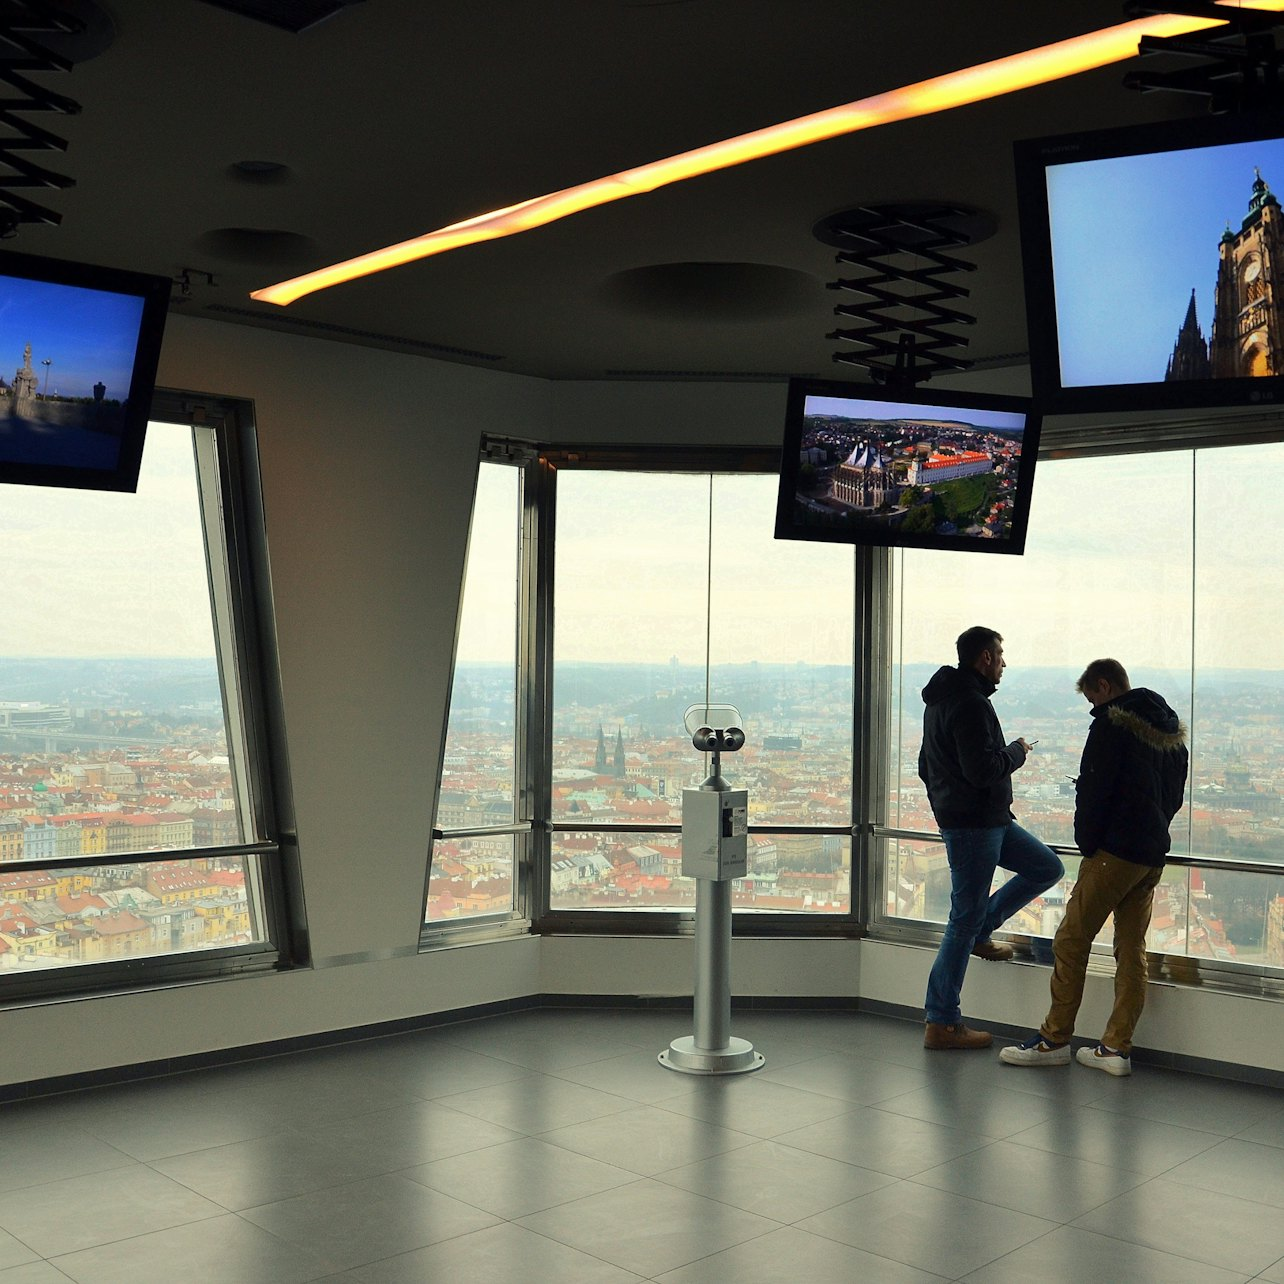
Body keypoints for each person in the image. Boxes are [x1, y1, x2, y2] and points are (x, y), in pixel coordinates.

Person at [1000, 659, 1188, 1077]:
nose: (1091, 707)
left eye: (1091, 698)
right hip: (1152, 852)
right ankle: (1116, 1048)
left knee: (1071, 940)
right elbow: (1174, 795)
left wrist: (1088, 844)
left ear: (1104, 686)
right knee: (1131, 948)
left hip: (1115, 852)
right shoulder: (1171, 733)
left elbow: (1095, 792)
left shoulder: (1110, 728)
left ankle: (1054, 1039)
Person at [919, 626, 1064, 1050]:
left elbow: (926, 764)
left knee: (1047, 867)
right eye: (1000, 655)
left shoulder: (943, 701)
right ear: (984, 657)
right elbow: (982, 769)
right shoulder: (969, 704)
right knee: (960, 920)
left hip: (983, 819)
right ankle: (942, 1021)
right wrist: (1017, 750)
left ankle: (983, 928)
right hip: (975, 824)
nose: (1004, 662)